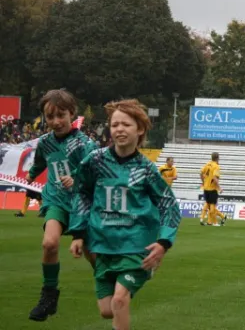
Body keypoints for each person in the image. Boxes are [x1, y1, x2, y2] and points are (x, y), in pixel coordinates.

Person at [69, 99, 181, 330]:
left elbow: (168, 205)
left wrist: (163, 243)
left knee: (120, 300)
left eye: (126, 124)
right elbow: (82, 194)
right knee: (107, 310)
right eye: (114, 124)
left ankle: (143, 271)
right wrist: (78, 233)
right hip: (102, 244)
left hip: (136, 246)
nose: (119, 129)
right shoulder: (95, 161)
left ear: (139, 129)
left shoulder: (146, 169)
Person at [25, 90, 97, 322]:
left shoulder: (85, 143)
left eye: (61, 115)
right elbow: (39, 162)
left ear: (72, 114)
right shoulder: (45, 143)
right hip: (56, 199)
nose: (55, 121)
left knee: (92, 253)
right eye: (50, 116)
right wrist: (31, 175)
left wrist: (77, 178)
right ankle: (49, 296)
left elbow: (94, 170)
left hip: (82, 202)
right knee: (49, 243)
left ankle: (108, 282)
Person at [199, 152, 226, 226]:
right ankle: (214, 222)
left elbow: (201, 173)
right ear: (217, 158)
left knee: (208, 204)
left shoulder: (207, 164)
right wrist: (220, 188)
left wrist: (203, 182)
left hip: (206, 188)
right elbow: (214, 177)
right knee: (212, 205)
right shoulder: (216, 166)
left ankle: (207, 220)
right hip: (212, 189)